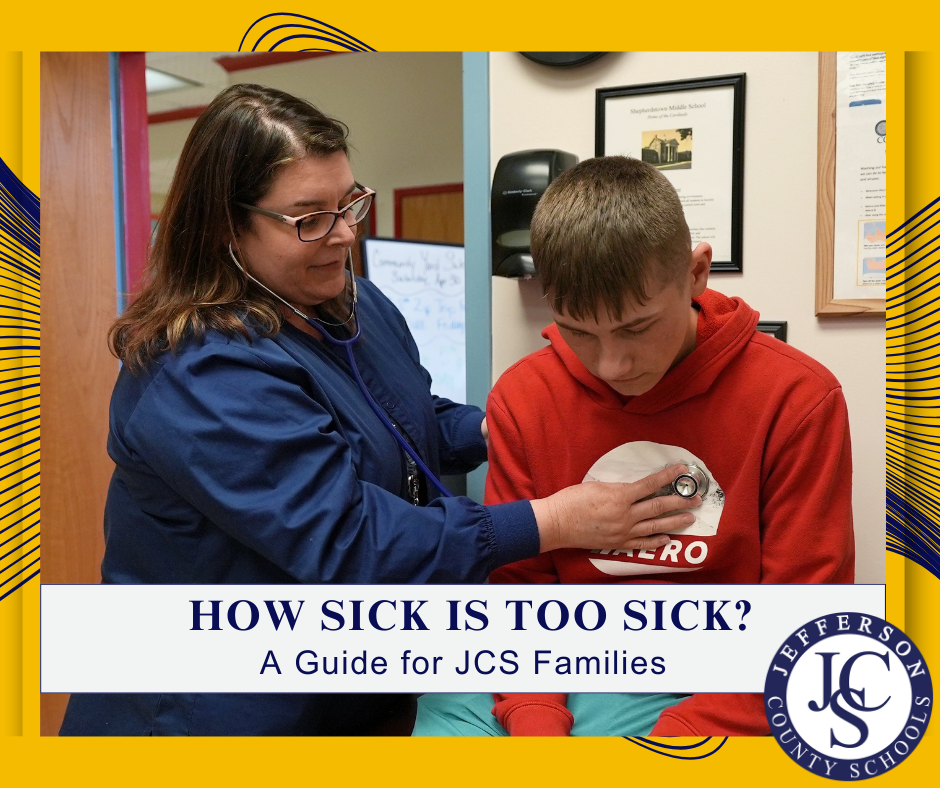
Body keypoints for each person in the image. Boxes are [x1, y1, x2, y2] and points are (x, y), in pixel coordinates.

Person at [58, 87, 703, 736]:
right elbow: (349, 541)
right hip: (209, 717)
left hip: (357, 691)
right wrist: (550, 521)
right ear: (226, 225)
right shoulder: (198, 370)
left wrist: (513, 421)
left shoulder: (354, 306)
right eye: (309, 217)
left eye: (349, 203)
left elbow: (407, 421)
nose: (343, 233)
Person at [413, 156, 855, 737]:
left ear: (697, 273)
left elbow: (802, 623)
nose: (611, 364)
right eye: (578, 331)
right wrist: (537, 725)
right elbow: (519, 593)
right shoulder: (524, 396)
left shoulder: (798, 399)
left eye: (636, 328)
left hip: (718, 681)